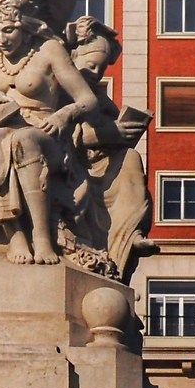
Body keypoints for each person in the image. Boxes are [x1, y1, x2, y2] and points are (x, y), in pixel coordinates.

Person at [0, 0, 101, 263]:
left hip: (46, 135)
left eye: (9, 30)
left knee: (23, 139)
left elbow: (87, 100)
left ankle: (41, 238)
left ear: (25, 25)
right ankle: (15, 233)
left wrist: (63, 115)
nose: (2, 39)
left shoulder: (48, 51)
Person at [63, 15, 155, 279]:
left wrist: (123, 131)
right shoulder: (60, 89)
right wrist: (109, 134)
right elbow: (66, 134)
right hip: (71, 164)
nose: (96, 73)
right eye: (92, 65)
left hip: (100, 165)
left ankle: (131, 233)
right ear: (73, 58)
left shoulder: (99, 98)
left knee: (130, 158)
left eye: (102, 69)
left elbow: (111, 127)